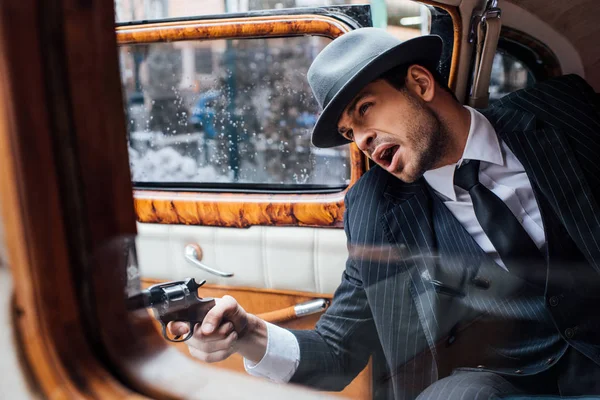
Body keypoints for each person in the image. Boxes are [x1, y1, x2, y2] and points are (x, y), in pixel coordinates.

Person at [169, 28, 600, 399]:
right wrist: (248, 335)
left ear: (419, 83)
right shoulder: (376, 207)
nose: (362, 140)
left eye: (364, 109)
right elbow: (338, 351)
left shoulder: (561, 112)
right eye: (349, 132)